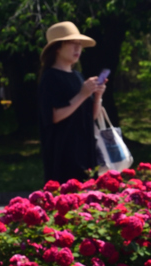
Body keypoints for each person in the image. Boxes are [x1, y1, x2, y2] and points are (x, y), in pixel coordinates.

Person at [38, 21, 106, 183]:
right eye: (72, 44)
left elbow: (91, 116)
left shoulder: (78, 76)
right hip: (63, 152)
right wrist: (83, 94)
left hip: (85, 150)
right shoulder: (50, 77)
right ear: (57, 48)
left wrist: (97, 96)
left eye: (79, 44)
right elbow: (54, 116)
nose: (78, 49)